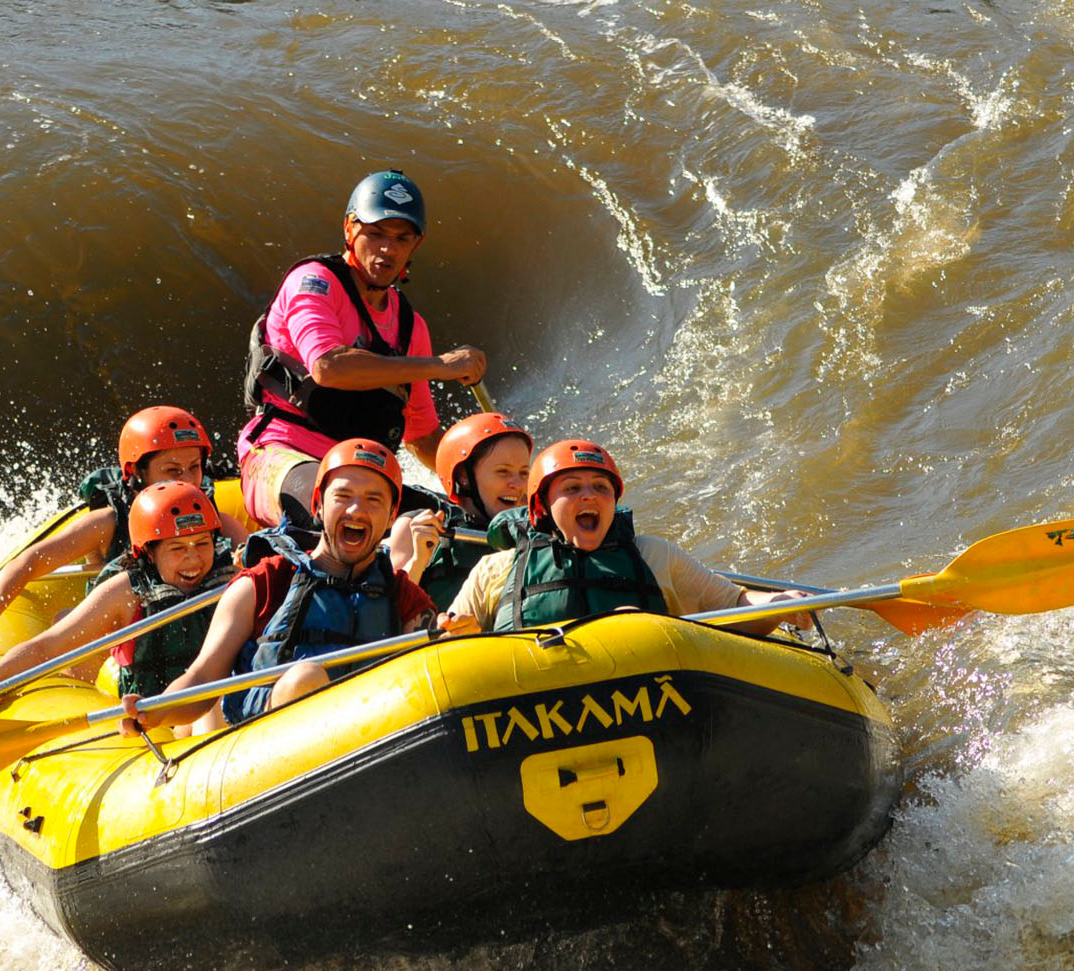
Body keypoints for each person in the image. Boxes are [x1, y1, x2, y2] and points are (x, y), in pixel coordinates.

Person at [118, 439, 437, 737]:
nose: (356, 510)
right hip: (263, 746)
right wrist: (154, 712)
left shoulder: (404, 596)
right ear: (318, 505)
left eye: (373, 500)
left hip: (368, 737)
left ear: (391, 516)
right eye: (343, 496)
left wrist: (455, 630)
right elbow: (202, 678)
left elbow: (435, 668)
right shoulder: (263, 583)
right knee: (305, 679)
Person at [238, 169, 487, 541]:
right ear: (350, 229)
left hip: (362, 474)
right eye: (376, 233)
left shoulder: (410, 327)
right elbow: (327, 366)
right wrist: (441, 366)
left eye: (402, 238)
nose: (388, 249)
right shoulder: (314, 282)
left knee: (462, 526)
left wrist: (477, 487)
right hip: (280, 455)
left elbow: (421, 435)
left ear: (415, 245)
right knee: (338, 509)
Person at [439, 440, 809, 636]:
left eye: (601, 487)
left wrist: (779, 603)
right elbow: (444, 645)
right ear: (542, 507)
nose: (589, 496)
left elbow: (736, 605)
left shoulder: (654, 555)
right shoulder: (495, 569)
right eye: (572, 487)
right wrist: (458, 632)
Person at [0, 405, 246, 654]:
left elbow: (259, 562)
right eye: (172, 470)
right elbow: (30, 561)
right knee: (65, 619)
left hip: (196, 638)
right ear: (137, 473)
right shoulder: (108, 523)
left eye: (194, 467)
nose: (187, 480)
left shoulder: (215, 521)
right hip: (123, 646)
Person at [0, 481, 236, 703]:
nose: (193, 559)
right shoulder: (125, 592)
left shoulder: (230, 577)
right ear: (149, 553)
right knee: (65, 619)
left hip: (217, 702)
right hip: (153, 712)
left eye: (202, 544)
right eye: (177, 548)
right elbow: (47, 647)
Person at [388, 412, 533, 609]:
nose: (518, 484)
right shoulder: (415, 527)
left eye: (523, 473)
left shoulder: (533, 531)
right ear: (464, 476)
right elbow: (388, 613)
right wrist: (418, 560)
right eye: (503, 471)